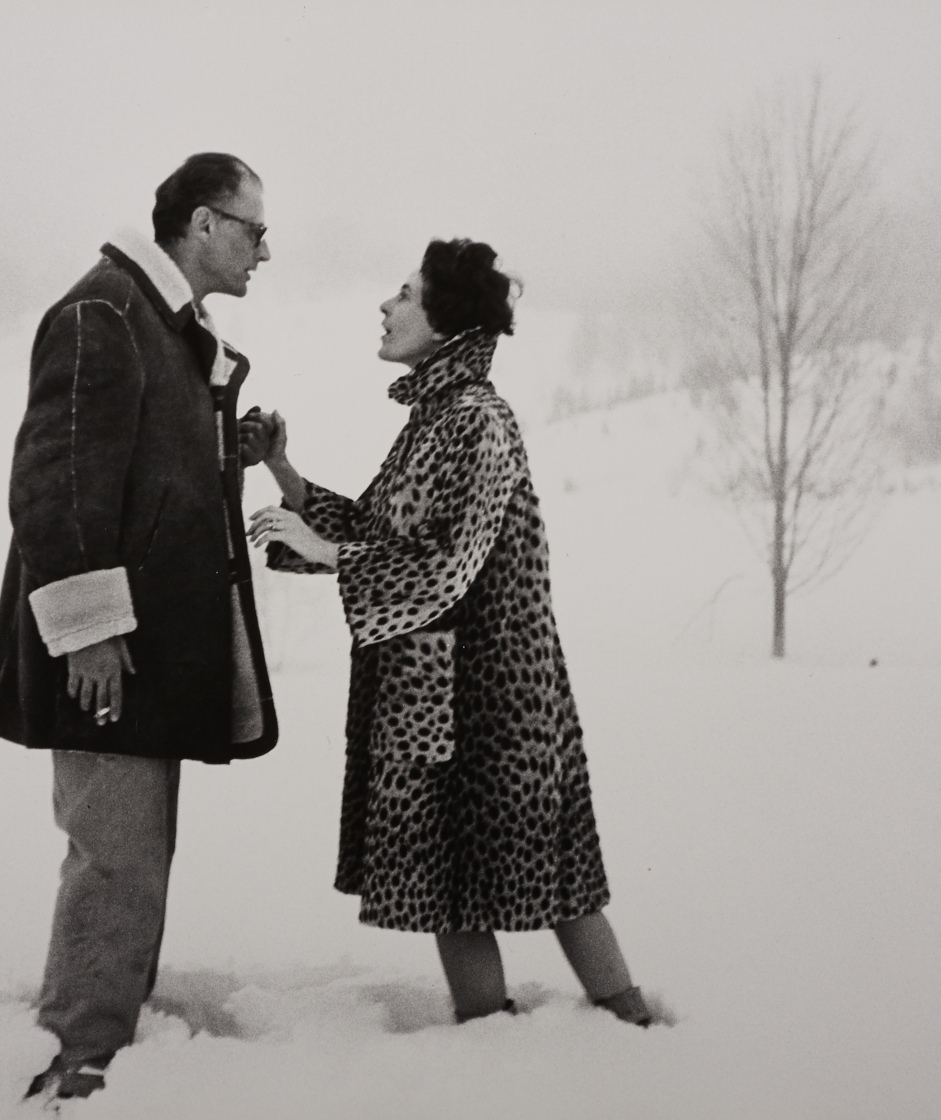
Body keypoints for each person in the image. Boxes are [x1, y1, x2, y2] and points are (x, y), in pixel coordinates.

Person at [246, 238, 652, 1028]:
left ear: (448, 323)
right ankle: (488, 1047)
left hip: (500, 709)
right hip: (439, 699)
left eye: (404, 294)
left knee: (559, 884)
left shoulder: (477, 423)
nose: (385, 305)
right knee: (454, 892)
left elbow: (446, 565)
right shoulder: (436, 417)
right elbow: (377, 532)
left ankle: (637, 1039)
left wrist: (329, 550)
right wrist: (285, 473)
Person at [0, 152, 279, 1101]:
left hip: (148, 649)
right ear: (199, 224)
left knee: (137, 852)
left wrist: (240, 440)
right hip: (108, 652)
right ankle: (78, 1060)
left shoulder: (158, 321)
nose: (263, 250)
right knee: (115, 853)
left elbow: (152, 472)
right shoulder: (102, 312)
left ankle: (105, 1031)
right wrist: (89, 633)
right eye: (252, 229)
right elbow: (56, 483)